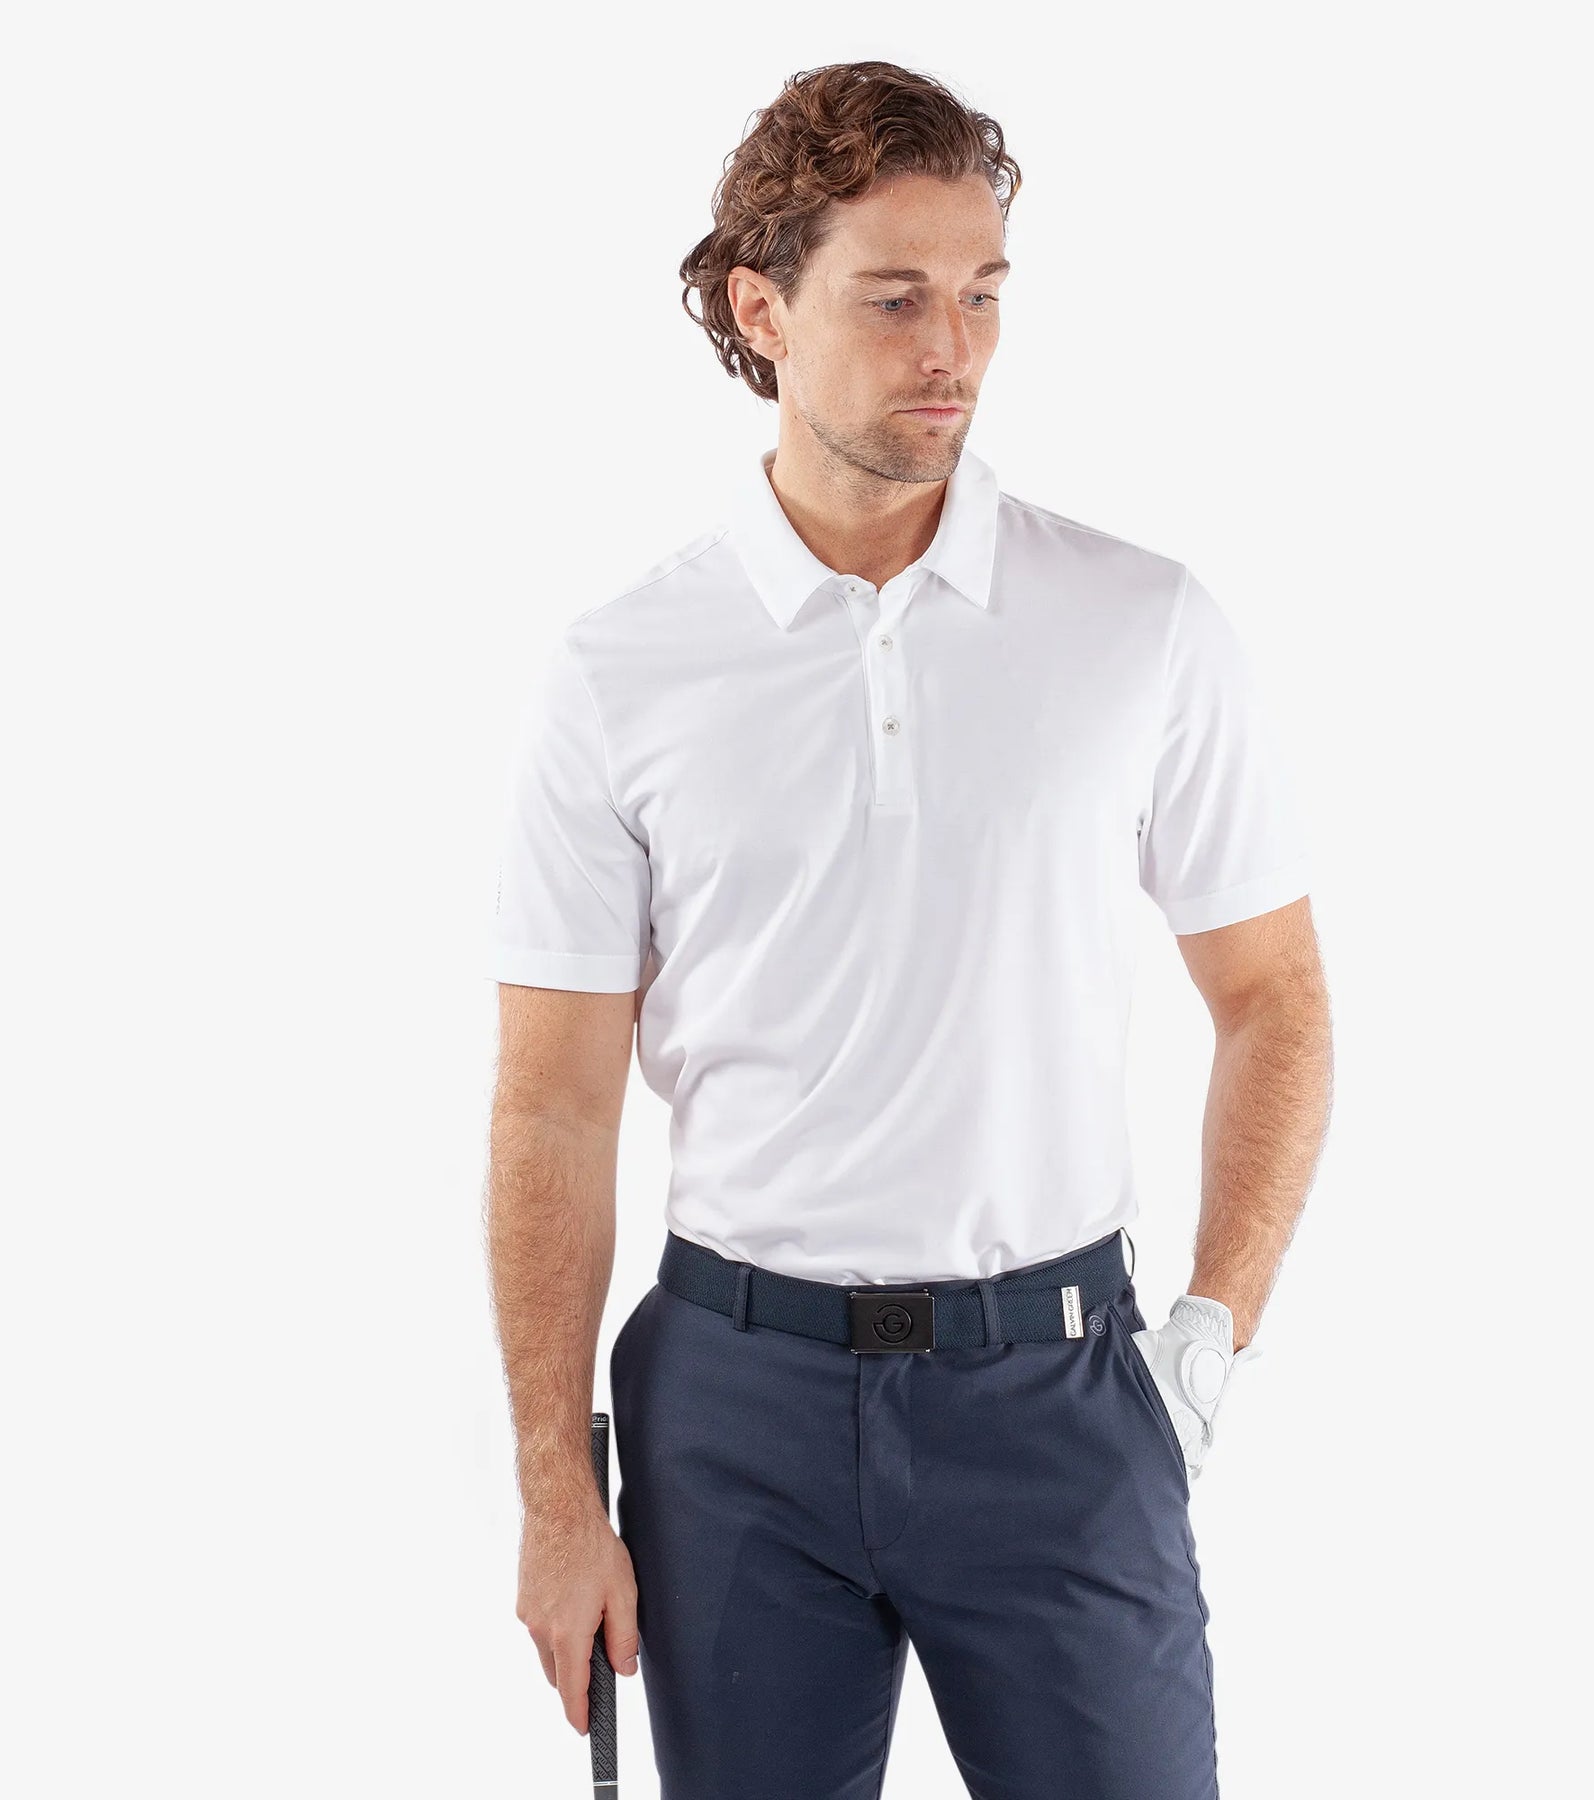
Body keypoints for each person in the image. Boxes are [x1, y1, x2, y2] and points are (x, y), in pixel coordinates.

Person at [483, 58, 1333, 1800]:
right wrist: (556, 1497)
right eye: (894, 299)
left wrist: (1214, 1325)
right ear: (762, 311)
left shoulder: (1141, 625)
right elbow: (550, 1106)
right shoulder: (622, 670)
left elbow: (1274, 994)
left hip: (1061, 1395)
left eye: (983, 294)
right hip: (731, 1415)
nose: (954, 348)